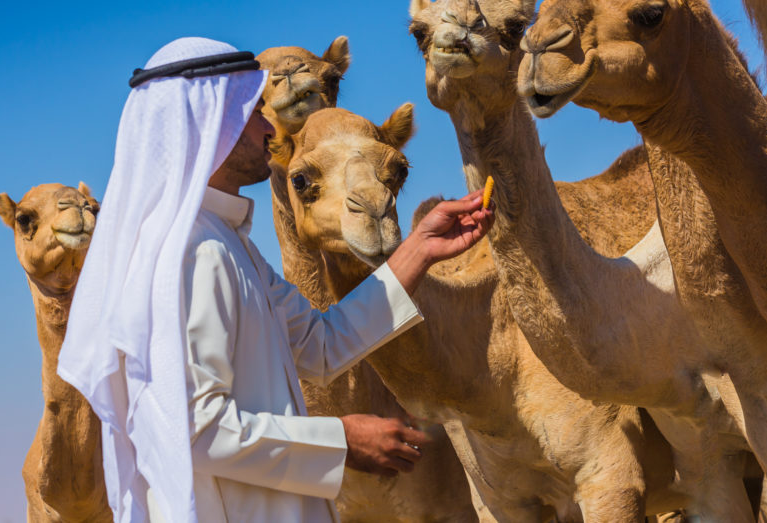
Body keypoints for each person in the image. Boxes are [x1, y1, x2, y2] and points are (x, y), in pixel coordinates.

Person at [58, 37, 493, 523]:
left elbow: (323, 344)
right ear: (209, 126)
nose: (269, 128)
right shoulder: (191, 253)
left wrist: (421, 248)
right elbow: (193, 429)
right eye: (251, 114)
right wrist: (341, 440)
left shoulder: (229, 245)